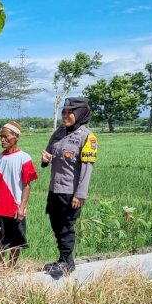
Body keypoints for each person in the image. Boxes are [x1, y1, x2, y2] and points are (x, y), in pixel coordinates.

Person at [41, 97, 98, 278]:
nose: (65, 116)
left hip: (71, 192)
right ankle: (64, 259)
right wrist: (45, 160)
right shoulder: (59, 132)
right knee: (56, 226)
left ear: (80, 114)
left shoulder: (87, 137)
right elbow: (49, 153)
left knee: (67, 227)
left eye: (69, 113)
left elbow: (86, 169)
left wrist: (80, 195)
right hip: (55, 189)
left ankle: (66, 263)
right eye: (64, 112)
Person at [0, 121, 37, 266]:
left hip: (14, 207)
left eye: (6, 137)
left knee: (15, 239)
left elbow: (26, 186)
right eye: (1, 136)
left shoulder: (24, 158)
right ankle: (0, 264)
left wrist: (22, 206)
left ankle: (12, 266)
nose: (2, 140)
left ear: (16, 137)